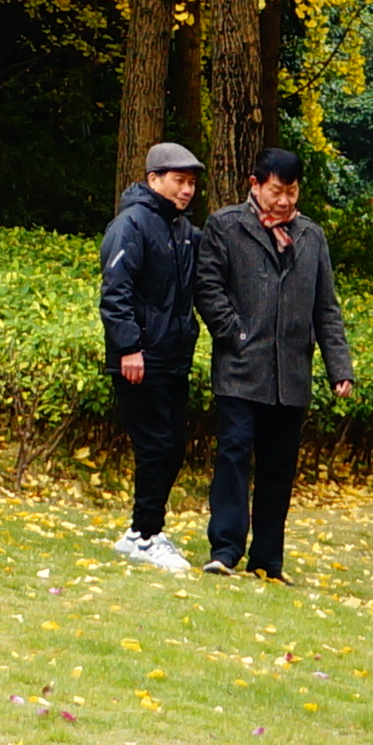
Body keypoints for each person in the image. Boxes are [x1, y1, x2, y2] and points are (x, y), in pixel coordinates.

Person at [190, 143, 352, 578]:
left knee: (279, 470)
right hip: (240, 371)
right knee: (233, 457)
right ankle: (225, 549)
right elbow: (208, 287)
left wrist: (340, 368)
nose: (284, 201)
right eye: (277, 191)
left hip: (291, 375)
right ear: (255, 185)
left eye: (292, 192)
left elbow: (326, 307)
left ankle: (268, 559)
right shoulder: (226, 226)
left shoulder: (311, 236)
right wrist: (234, 333)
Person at [98, 143, 209, 574]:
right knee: (155, 447)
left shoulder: (182, 230)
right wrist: (128, 347)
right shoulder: (131, 225)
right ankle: (146, 536)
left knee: (173, 446)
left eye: (192, 183)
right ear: (154, 179)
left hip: (173, 357)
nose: (187, 190)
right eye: (180, 181)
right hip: (139, 359)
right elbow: (116, 292)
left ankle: (142, 531)